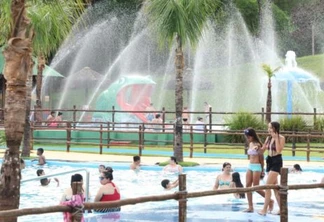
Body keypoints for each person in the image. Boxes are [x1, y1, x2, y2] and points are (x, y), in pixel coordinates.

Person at [258, 121, 285, 216]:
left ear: (275, 128)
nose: (268, 129)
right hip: (269, 161)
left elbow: (278, 150)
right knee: (275, 188)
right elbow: (263, 150)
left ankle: (264, 209)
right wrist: (257, 148)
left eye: (270, 128)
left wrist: (276, 138)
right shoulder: (268, 138)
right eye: (268, 128)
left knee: (267, 185)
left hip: (277, 161)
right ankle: (282, 209)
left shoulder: (281, 138)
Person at [243, 128, 273, 213]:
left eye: (248, 136)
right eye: (247, 136)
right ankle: (250, 206)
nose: (247, 137)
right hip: (250, 166)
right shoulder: (251, 143)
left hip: (257, 166)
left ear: (252, 135)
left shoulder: (258, 145)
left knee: (256, 187)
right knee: (247, 186)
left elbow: (261, 158)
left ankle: (270, 200)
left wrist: (262, 169)